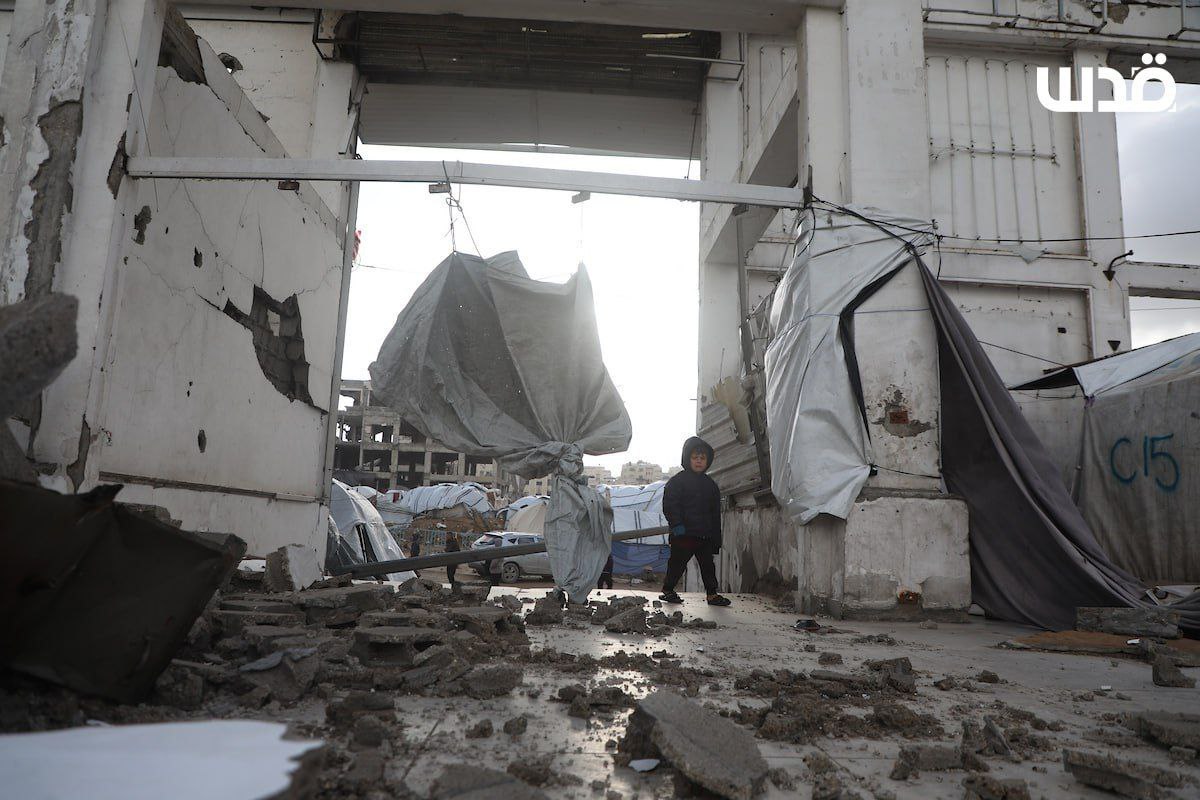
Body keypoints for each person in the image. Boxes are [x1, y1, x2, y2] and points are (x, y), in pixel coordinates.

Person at [660, 435, 731, 606]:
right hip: (683, 535)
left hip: (704, 536)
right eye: (695, 457)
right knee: (677, 564)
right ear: (687, 459)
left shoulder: (711, 485)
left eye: (702, 458)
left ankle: (712, 594)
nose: (699, 461)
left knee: (708, 566)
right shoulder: (677, 482)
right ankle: (668, 590)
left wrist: (716, 538)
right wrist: (677, 525)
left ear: (708, 461)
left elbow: (715, 514)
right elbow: (670, 505)